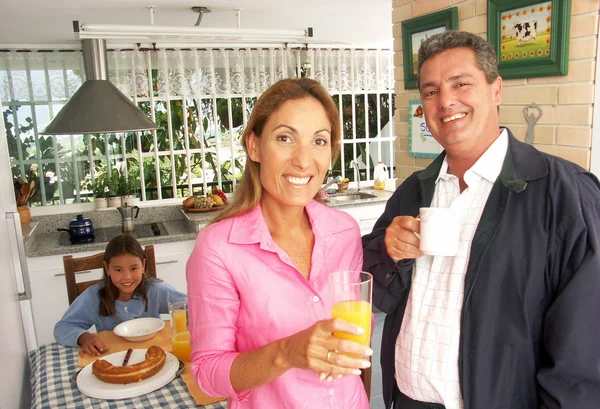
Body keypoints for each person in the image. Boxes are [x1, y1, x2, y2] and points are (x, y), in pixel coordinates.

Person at [362, 30, 600, 409]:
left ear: (496, 89)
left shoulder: (566, 195)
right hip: (407, 401)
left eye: (461, 84)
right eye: (430, 91)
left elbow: (585, 348)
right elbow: (374, 287)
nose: (445, 102)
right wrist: (389, 252)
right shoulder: (413, 190)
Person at [186, 78, 372, 408]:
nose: (303, 160)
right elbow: (207, 375)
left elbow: (356, 324)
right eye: (285, 138)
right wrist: (285, 353)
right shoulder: (218, 248)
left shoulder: (344, 231)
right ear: (254, 146)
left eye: (319, 141)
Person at [54, 234, 186, 356]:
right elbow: (62, 328)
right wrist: (85, 338)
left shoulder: (156, 290)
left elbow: (195, 308)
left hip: (153, 355)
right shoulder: (94, 296)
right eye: (118, 270)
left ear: (143, 265)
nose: (127, 277)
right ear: (107, 269)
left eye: (133, 268)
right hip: (113, 359)